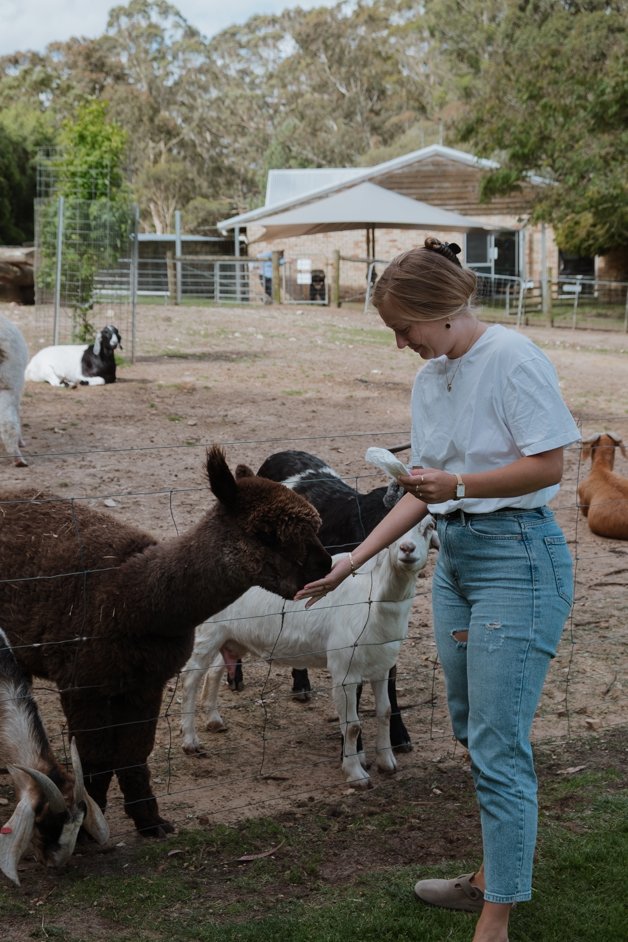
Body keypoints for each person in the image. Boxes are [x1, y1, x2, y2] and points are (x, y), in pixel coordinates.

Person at [295, 236, 580, 942]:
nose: (399, 345)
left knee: (497, 740)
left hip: (517, 557)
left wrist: (456, 485)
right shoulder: (431, 380)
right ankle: (492, 874)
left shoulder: (512, 359)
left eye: (403, 329)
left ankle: (496, 917)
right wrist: (350, 561)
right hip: (455, 563)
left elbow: (550, 466)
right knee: (470, 727)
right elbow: (419, 489)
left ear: (437, 310)